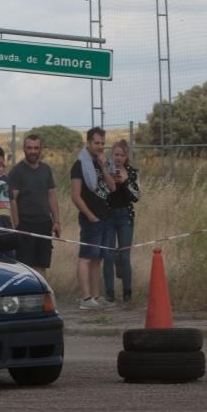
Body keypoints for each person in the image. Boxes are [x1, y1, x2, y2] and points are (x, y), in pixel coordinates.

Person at [70, 127, 117, 310]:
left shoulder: (102, 162)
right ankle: (85, 298)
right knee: (86, 257)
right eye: (96, 143)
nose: (99, 147)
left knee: (98, 258)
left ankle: (96, 296)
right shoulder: (79, 165)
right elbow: (76, 196)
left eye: (102, 143)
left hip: (105, 217)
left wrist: (105, 166)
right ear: (88, 143)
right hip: (91, 218)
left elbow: (112, 187)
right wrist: (90, 216)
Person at [8, 135, 59, 276]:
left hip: (44, 225)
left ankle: (42, 297)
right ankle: (27, 298)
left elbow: (51, 196)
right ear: (24, 149)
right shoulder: (17, 171)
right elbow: (12, 200)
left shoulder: (46, 170)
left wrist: (56, 222)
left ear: (40, 149)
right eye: (29, 148)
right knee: (26, 268)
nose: (33, 151)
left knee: (42, 266)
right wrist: (17, 226)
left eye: (36, 148)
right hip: (25, 226)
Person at [102, 140, 141, 303]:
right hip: (108, 216)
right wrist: (109, 179)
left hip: (125, 216)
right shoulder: (105, 170)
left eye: (122, 155)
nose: (118, 158)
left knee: (124, 256)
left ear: (126, 157)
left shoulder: (131, 172)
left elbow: (136, 197)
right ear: (112, 155)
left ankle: (127, 293)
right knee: (108, 255)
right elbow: (100, 193)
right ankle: (109, 294)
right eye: (116, 154)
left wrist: (125, 182)